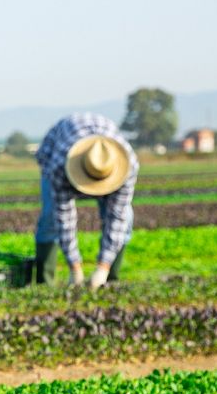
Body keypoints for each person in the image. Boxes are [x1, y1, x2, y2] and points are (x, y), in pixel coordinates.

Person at [33, 112, 139, 289]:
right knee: (50, 217)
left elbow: (117, 217)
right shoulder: (60, 167)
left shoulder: (128, 166)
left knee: (125, 218)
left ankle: (109, 278)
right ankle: (46, 282)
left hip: (105, 160)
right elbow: (64, 219)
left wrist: (102, 268)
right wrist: (75, 268)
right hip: (54, 152)